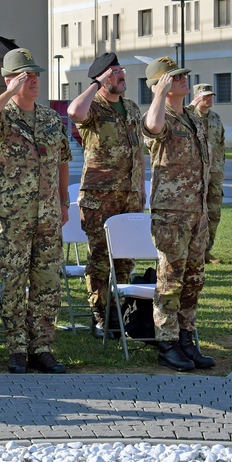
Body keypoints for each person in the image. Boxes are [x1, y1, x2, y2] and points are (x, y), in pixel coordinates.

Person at [0, 48, 71, 374]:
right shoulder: (2, 114)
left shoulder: (50, 118)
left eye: (36, 75)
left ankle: (41, 347)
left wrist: (63, 201)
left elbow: (62, 161)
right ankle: (16, 347)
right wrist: (9, 93)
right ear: (10, 79)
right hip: (13, 214)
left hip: (47, 214)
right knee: (13, 281)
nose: (34, 81)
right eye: (27, 75)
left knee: (47, 281)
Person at [66, 52, 145, 339]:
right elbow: (74, 113)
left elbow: (139, 152)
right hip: (100, 197)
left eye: (120, 70)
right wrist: (94, 85)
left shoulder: (133, 109)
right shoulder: (94, 107)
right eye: (113, 72)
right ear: (101, 78)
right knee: (100, 257)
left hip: (131, 195)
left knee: (125, 257)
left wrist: (142, 186)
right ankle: (100, 317)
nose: (120, 75)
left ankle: (118, 312)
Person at [143, 57, 214, 371]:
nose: (183, 78)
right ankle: (167, 342)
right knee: (170, 280)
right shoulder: (162, 115)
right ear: (161, 84)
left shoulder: (192, 118)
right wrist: (158, 94)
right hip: (171, 213)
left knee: (193, 280)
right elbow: (152, 128)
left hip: (196, 212)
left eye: (183, 74)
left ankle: (187, 338)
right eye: (175, 76)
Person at [187, 83, 225, 264]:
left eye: (211, 96)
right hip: (195, 173)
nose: (209, 99)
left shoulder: (216, 119)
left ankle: (207, 250)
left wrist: (221, 168)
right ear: (197, 97)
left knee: (214, 212)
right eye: (205, 96)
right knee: (195, 212)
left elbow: (221, 144)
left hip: (215, 172)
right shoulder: (187, 116)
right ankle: (194, 250)